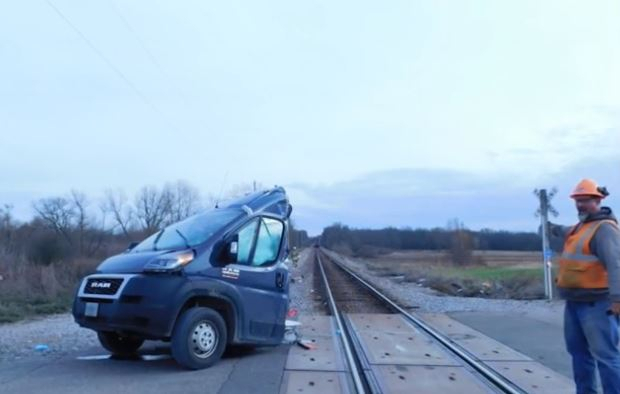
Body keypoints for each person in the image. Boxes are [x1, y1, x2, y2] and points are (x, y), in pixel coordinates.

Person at [551, 179, 620, 394]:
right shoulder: (581, 227)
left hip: (598, 304)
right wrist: (549, 228)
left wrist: (617, 300)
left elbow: (616, 265)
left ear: (598, 201)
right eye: (578, 201)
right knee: (579, 354)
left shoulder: (605, 229)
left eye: (586, 201)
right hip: (574, 302)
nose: (581, 205)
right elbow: (564, 231)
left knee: (606, 357)